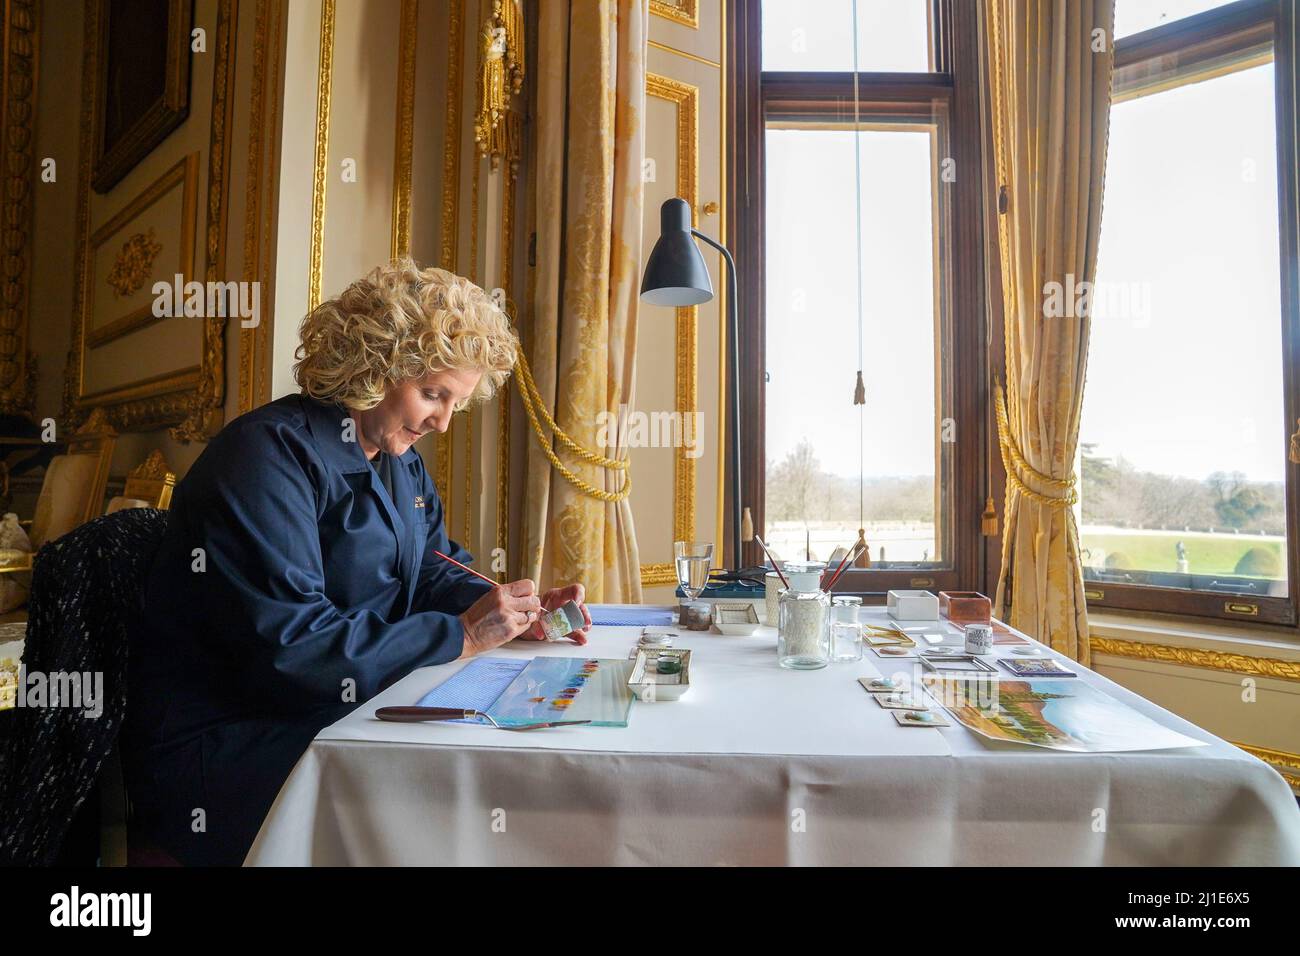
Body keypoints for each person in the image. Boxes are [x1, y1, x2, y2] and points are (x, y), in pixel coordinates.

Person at [123, 259, 591, 866]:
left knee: (506, 760)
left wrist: (513, 609)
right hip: (227, 742)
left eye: (456, 403)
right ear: (375, 365)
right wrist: (464, 634)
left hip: (333, 710)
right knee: (457, 789)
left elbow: (431, 569)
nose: (443, 423)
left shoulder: (400, 462)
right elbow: (294, 646)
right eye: (432, 394)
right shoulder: (264, 457)